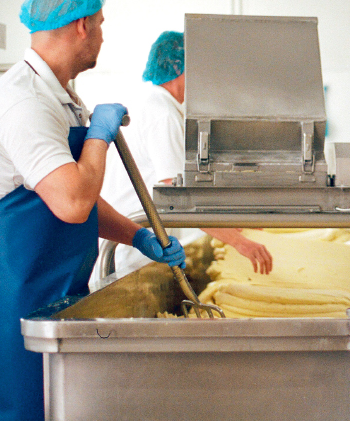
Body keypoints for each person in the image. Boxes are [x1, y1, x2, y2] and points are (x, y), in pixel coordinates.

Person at [0, 0, 187, 421]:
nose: (102, 35)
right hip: (6, 296)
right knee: (18, 418)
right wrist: (99, 137)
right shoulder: (22, 103)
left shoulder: (58, 99)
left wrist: (137, 236)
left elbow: (74, 197)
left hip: (52, 290)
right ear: (82, 26)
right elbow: (71, 202)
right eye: (100, 25)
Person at [95, 30, 272, 283]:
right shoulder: (162, 114)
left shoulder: (162, 108)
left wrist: (234, 222)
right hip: (135, 251)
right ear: (182, 70)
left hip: (143, 245)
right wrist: (238, 241)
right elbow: (179, 199)